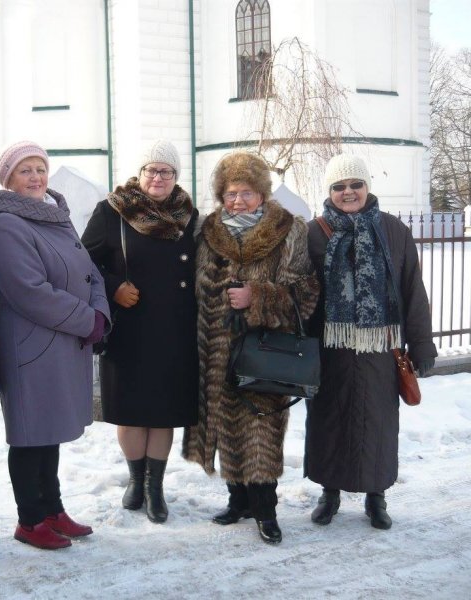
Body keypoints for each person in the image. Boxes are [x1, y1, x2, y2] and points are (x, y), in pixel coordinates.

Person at [181, 151, 319, 544]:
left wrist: (256, 296)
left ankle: (265, 510)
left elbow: (305, 292)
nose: (238, 201)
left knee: (260, 431)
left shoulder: (287, 230)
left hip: (264, 348)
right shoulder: (208, 231)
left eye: (246, 193)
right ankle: (237, 500)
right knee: (224, 427)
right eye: (230, 193)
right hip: (215, 348)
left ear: (261, 193)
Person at [0, 141, 110, 549]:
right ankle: (29, 519)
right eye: (25, 170)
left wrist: (100, 311)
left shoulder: (56, 216)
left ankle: (52, 510)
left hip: (64, 342)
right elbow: (29, 291)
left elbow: (90, 271)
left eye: (40, 168)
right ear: (9, 179)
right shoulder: (6, 226)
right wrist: (86, 319)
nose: (36, 177)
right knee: (30, 434)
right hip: (32, 346)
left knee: (49, 430)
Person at [305, 154, 436, 530]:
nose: (348, 192)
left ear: (367, 187)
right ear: (329, 191)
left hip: (381, 349)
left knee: (378, 423)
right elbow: (300, 292)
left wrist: (422, 345)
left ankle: (376, 497)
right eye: (339, 186)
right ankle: (329, 493)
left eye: (355, 184)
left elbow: (412, 289)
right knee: (329, 420)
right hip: (330, 349)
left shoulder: (394, 230)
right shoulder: (313, 233)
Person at [82, 139, 199, 524]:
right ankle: (136, 479)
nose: (158, 177)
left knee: (163, 412)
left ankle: (155, 487)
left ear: (176, 176)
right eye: (152, 170)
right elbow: (83, 261)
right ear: (140, 173)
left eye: (166, 171)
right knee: (132, 411)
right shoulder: (113, 211)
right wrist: (114, 286)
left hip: (175, 329)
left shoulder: (189, 216)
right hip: (129, 328)